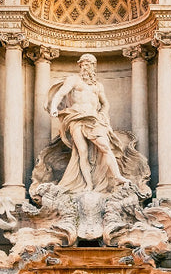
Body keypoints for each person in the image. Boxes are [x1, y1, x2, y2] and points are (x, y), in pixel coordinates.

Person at [48, 54, 129, 194]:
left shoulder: (98, 86)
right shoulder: (73, 80)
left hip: (93, 119)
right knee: (82, 153)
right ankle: (88, 184)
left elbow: (105, 103)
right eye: (83, 64)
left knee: (105, 146)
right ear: (79, 66)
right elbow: (60, 94)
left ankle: (117, 176)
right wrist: (54, 107)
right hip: (76, 118)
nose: (86, 67)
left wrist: (103, 114)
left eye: (89, 64)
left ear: (93, 67)